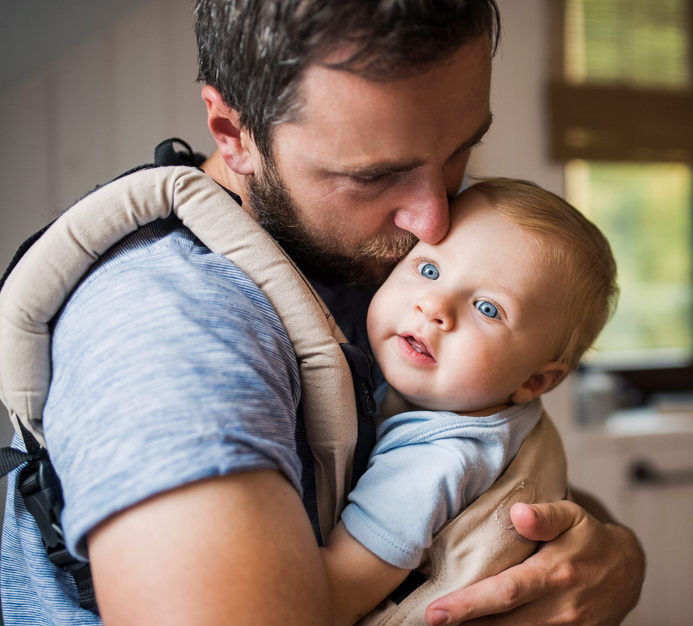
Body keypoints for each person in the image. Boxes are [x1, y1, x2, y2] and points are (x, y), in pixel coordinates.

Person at [0, 2, 645, 624]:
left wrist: (616, 559)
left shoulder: (390, 272)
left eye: (457, 153)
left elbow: (479, 471)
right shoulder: (174, 339)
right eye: (375, 176)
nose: (433, 220)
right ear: (233, 134)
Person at [322, 177, 618, 623]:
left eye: (487, 308)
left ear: (536, 380)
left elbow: (330, 595)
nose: (435, 305)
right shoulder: (500, 417)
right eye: (428, 270)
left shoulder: (436, 460)